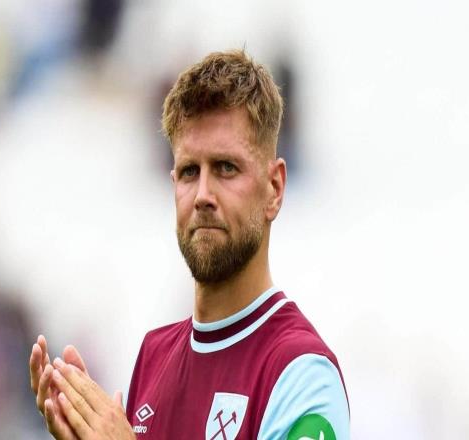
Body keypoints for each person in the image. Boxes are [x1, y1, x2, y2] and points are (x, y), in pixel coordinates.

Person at [30, 50, 350, 439]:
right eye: (188, 172)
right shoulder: (154, 355)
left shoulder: (301, 373)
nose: (202, 195)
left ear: (274, 188)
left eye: (226, 168)